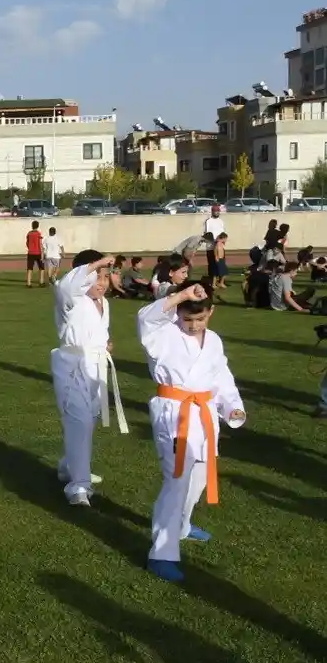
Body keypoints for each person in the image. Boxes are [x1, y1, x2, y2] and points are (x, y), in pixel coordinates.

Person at [137, 281, 245, 582]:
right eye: (187, 319)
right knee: (177, 481)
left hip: (204, 414)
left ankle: (182, 525)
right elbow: (145, 317)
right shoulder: (162, 334)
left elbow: (222, 377)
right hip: (174, 414)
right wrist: (182, 295)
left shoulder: (214, 341)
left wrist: (232, 407)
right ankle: (161, 553)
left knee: (198, 478)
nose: (193, 325)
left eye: (200, 318)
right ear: (178, 313)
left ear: (211, 312)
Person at [52, 251, 126, 506]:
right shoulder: (70, 299)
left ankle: (69, 465)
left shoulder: (104, 303)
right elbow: (66, 286)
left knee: (90, 419)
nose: (102, 283)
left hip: (96, 366)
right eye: (96, 277)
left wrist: (105, 344)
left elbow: (96, 331)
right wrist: (94, 264)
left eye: (105, 277)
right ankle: (78, 487)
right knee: (80, 421)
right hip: (72, 366)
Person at [25, 221, 45, 287]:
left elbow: (27, 243)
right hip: (38, 252)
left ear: (32, 225)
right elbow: (40, 244)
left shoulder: (29, 233)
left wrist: (30, 248)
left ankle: (28, 283)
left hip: (30, 253)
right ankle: (41, 282)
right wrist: (42, 254)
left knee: (29, 268)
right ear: (38, 226)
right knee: (41, 268)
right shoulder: (38, 233)